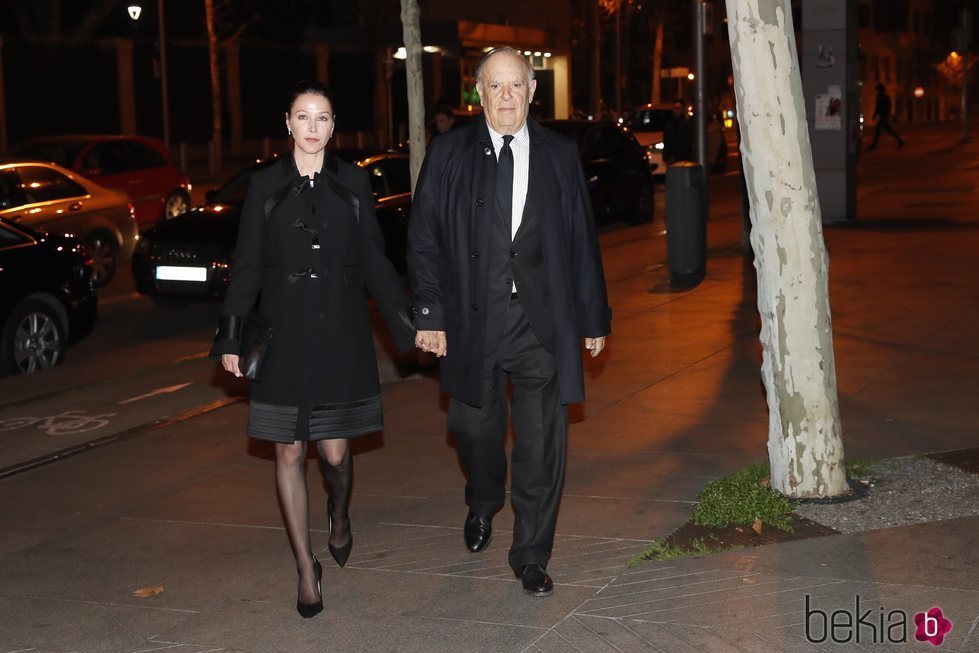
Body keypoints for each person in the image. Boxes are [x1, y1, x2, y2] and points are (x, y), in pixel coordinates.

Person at [407, 47, 611, 597]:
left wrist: (593, 316)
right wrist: (430, 313)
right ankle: (483, 497)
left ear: (532, 91)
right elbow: (424, 239)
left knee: (541, 443)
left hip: (540, 322)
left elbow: (580, 240)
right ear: (479, 93)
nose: (504, 98)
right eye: (494, 87)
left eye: (515, 86)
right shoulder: (450, 154)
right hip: (473, 320)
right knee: (475, 431)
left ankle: (530, 553)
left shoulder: (559, 155)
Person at [210, 80, 415, 618]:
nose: (313, 127)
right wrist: (231, 337)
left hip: (341, 336)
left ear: (332, 126)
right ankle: (306, 569)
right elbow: (248, 263)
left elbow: (374, 260)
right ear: (288, 122)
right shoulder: (265, 184)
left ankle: (340, 515)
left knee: (335, 452)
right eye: (303, 117)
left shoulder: (353, 181)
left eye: (322, 118)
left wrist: (411, 325)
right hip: (281, 337)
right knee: (289, 450)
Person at [867, 83, 905, 151]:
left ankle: (874, 145)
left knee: (879, 130)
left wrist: (875, 115)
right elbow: (886, 106)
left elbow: (879, 107)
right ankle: (900, 141)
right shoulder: (885, 96)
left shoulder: (882, 96)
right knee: (887, 130)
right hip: (884, 115)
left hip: (883, 116)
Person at [663, 97, 694, 165]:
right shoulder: (669, 125)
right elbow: (666, 142)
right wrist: (666, 157)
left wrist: (675, 157)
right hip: (671, 160)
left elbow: (686, 143)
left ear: (683, 110)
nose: (675, 111)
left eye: (677, 109)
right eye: (674, 109)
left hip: (683, 160)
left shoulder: (686, 124)